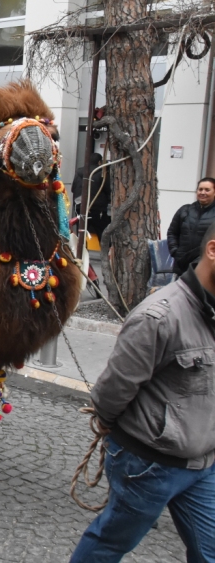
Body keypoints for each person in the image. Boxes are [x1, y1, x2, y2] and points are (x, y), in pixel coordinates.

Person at [70, 221, 215, 562]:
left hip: (203, 464)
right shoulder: (158, 317)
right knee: (111, 542)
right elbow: (110, 393)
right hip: (149, 463)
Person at [167, 177, 215, 276]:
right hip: (182, 266)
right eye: (200, 189)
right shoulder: (185, 210)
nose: (202, 192)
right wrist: (175, 252)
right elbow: (172, 233)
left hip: (206, 269)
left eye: (207, 190)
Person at [71, 153, 111, 239]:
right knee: (103, 233)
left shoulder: (78, 171)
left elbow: (73, 189)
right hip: (97, 208)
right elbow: (108, 190)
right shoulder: (102, 173)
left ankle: (81, 251)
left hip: (80, 206)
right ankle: (105, 251)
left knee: (81, 232)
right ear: (99, 162)